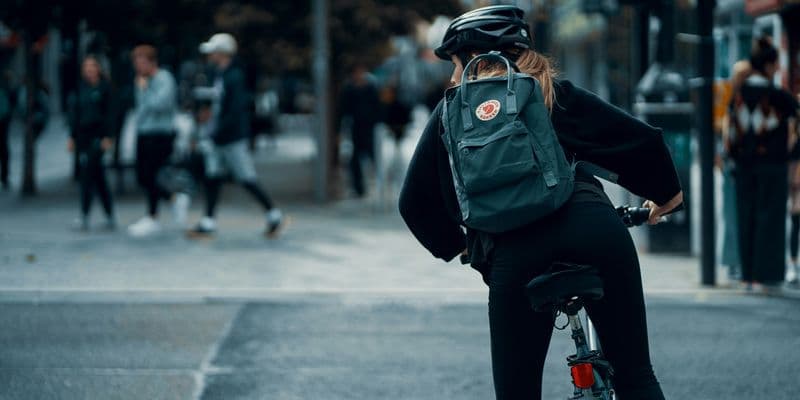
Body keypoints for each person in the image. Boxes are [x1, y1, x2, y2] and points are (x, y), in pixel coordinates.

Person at [399, 6, 682, 400]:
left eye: (455, 64)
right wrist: (665, 198)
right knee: (636, 376)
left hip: (515, 254)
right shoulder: (552, 91)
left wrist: (461, 246)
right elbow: (641, 141)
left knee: (518, 393)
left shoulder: (452, 110)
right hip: (596, 231)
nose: (452, 76)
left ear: (475, 59)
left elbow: (414, 202)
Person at [188, 33, 283, 238]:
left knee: (246, 177)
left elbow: (234, 110)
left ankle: (273, 214)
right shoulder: (218, 75)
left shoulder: (234, 77)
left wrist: (217, 131)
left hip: (231, 138)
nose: (210, 55)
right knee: (212, 177)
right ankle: (208, 221)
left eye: (213, 51)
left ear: (222, 53)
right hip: (218, 137)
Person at [727, 36, 800, 290]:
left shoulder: (737, 96)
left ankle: (747, 275)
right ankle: (765, 274)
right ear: (768, 66)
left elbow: (731, 136)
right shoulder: (779, 97)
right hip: (772, 167)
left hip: (744, 167)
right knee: (769, 218)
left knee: (745, 216)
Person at [127, 44, 189, 237]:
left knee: (153, 175)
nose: (139, 67)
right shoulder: (142, 80)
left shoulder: (164, 79)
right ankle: (172, 199)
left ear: (152, 62)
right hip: (144, 132)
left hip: (160, 134)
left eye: (142, 62)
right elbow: (141, 107)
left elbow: (160, 104)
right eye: (136, 63)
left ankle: (153, 215)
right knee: (142, 176)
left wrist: (145, 90)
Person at [67, 55, 116, 230]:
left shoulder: (104, 88)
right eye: (86, 66)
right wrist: (72, 137)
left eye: (92, 66)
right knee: (98, 177)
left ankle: (85, 214)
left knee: (88, 175)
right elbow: (74, 115)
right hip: (83, 137)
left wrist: (109, 136)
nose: (89, 70)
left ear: (98, 68)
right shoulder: (81, 88)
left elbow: (110, 113)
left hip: (98, 136)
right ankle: (108, 213)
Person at [339, 64, 381, 197]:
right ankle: (359, 187)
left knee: (373, 156)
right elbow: (343, 110)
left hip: (369, 128)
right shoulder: (349, 89)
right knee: (355, 159)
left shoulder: (371, 88)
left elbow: (378, 107)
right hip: (356, 128)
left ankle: (378, 183)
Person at [0, 70, 12, 190]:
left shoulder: (4, 86)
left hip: (3, 121)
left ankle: (4, 176)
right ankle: (4, 176)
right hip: (4, 119)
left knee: (4, 149)